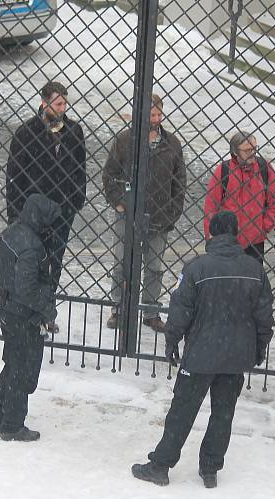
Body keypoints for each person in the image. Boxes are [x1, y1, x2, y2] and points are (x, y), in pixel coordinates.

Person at [132, 211, 274, 488]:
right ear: (236, 234)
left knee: (182, 411)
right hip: (235, 355)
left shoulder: (196, 268)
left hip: (200, 354)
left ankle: (161, 465)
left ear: (210, 233)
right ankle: (210, 468)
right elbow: (264, 318)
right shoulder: (254, 270)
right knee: (223, 412)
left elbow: (180, 311)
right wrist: (258, 348)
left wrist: (172, 341)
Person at [5, 80, 87, 333]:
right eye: (58, 103)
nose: (63, 108)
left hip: (62, 210)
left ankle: (47, 311)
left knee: (55, 261)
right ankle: (29, 310)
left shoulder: (73, 131)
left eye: (65, 103)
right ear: (44, 102)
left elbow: (79, 168)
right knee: (32, 262)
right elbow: (15, 174)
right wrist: (16, 212)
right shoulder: (27, 132)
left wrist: (75, 200)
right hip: (32, 213)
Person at [102, 93, 187, 333]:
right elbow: (110, 175)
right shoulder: (125, 140)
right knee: (122, 262)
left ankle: (150, 311)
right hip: (128, 213)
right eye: (152, 115)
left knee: (154, 266)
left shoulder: (172, 144)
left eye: (159, 114)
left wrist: (172, 213)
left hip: (159, 214)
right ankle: (119, 308)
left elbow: (179, 182)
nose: (157, 119)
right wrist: (119, 203)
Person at [0, 193, 60, 442]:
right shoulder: (32, 246)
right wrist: (47, 309)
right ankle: (12, 425)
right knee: (22, 369)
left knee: (12, 364)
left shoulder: (12, 233)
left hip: (8, 309)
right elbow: (27, 288)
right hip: (22, 314)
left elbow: (2, 266)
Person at [203, 131, 275, 263]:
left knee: (252, 281)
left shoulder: (264, 167)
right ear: (235, 152)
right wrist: (211, 238)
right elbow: (211, 206)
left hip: (255, 242)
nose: (252, 152)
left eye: (254, 148)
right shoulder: (223, 170)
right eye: (247, 150)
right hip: (226, 240)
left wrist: (264, 226)